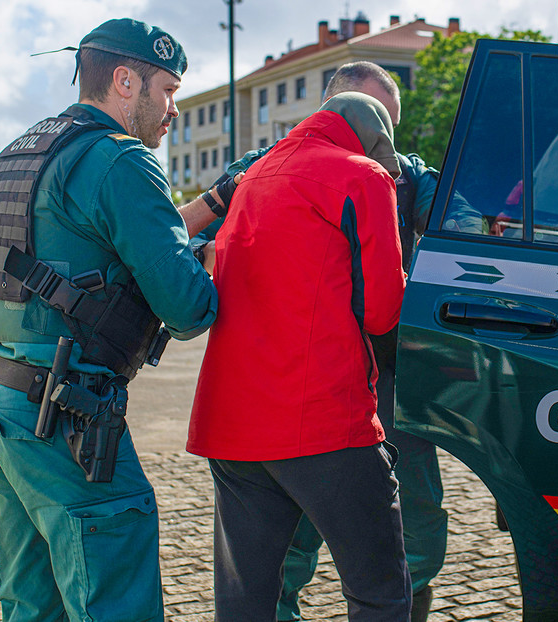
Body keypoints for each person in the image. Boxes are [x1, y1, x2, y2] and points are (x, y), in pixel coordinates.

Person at [0, 18, 229, 621]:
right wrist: (209, 262)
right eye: (167, 90)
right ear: (126, 80)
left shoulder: (25, 150)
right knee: (115, 591)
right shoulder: (123, 161)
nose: (174, 109)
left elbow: (86, 245)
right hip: (64, 414)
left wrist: (209, 204)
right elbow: (188, 310)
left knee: (33, 604)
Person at [258, 61, 483, 622]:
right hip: (307, 376)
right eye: (367, 113)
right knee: (295, 525)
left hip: (392, 380)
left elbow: (472, 230)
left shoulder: (409, 178)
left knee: (416, 518)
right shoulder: (270, 165)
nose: (377, 132)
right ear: (331, 111)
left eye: (389, 121)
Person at [187, 92, 410, 621]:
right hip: (323, 420)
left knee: (246, 602)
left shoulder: (252, 177)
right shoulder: (364, 177)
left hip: (234, 426)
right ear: (375, 141)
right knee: (379, 591)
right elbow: (382, 313)